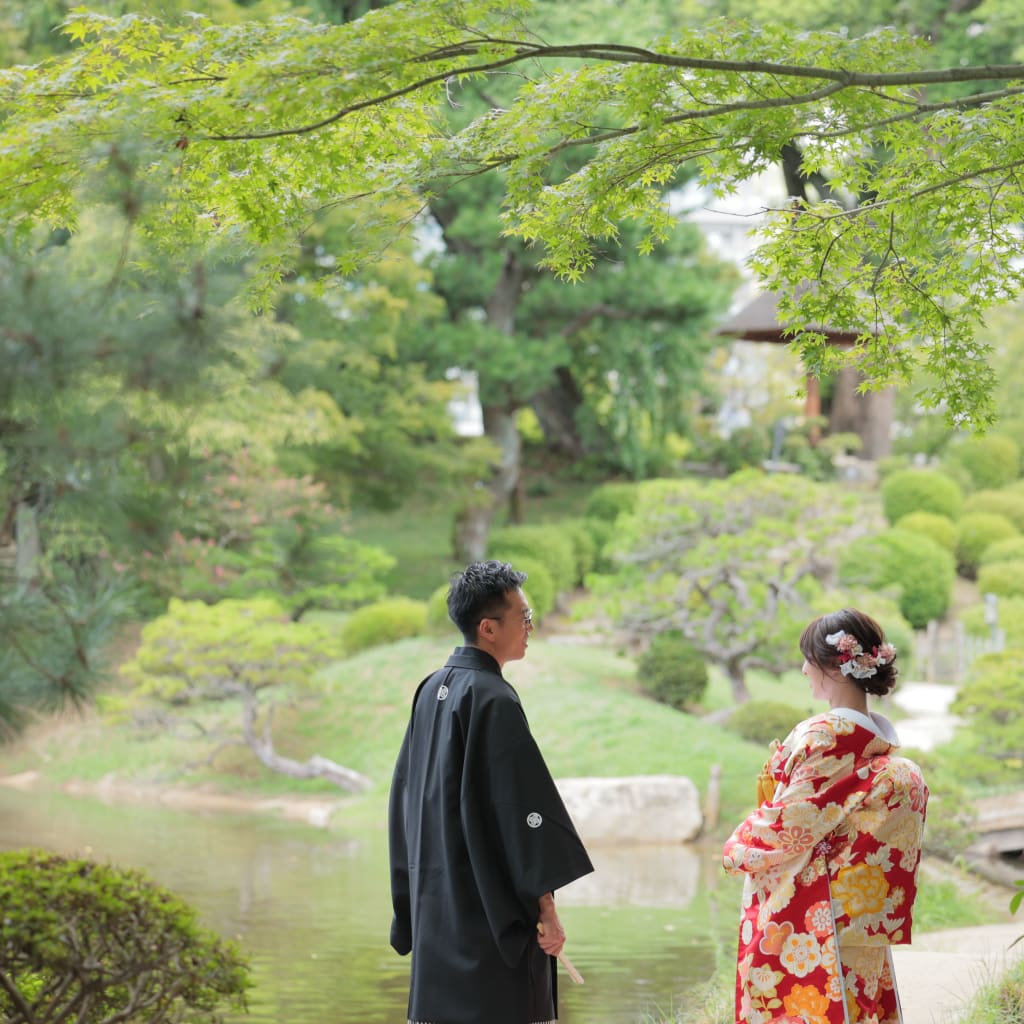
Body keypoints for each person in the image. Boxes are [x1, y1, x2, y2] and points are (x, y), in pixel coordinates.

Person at [388, 560, 594, 1024]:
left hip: (436, 910)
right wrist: (547, 910)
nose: (531, 626)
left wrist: (407, 899)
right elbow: (521, 812)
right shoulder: (492, 697)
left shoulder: (431, 689)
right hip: (489, 918)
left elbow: (404, 796)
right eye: (523, 617)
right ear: (488, 628)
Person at [723, 609, 929, 1024]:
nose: (803, 670)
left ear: (836, 667)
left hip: (819, 911)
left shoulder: (826, 737)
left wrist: (736, 848)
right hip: (860, 910)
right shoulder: (879, 742)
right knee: (859, 1004)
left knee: (815, 1005)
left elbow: (790, 824)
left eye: (809, 661)